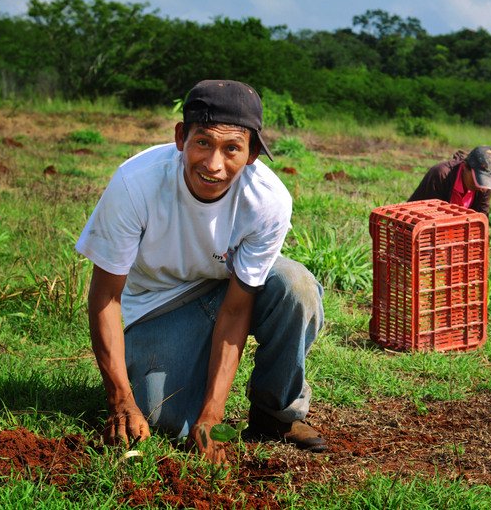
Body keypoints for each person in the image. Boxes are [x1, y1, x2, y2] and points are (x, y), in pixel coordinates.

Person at [76, 79, 326, 464]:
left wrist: (213, 416)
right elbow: (105, 298)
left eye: (232, 149)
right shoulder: (135, 183)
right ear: (181, 137)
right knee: (162, 418)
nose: (213, 165)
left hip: (228, 293)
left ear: (253, 153)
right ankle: (172, 390)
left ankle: (274, 415)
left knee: (296, 286)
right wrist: (120, 399)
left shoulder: (267, 201)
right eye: (203, 142)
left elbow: (236, 308)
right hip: (159, 306)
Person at [408, 145, 491, 217]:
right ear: (465, 167)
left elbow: (481, 218)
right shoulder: (441, 175)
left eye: (485, 181)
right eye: (477, 179)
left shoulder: (485, 185)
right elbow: (428, 217)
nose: (481, 187)